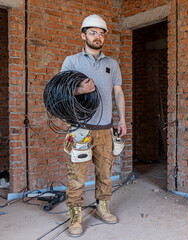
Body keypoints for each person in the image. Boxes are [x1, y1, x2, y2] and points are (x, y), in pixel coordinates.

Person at [61, 14, 127, 237]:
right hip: (80, 129)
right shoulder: (71, 62)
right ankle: (76, 216)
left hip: (106, 129)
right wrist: (81, 90)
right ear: (83, 35)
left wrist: (122, 119)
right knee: (77, 175)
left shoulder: (112, 63)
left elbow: (118, 92)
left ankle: (102, 207)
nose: (97, 37)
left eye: (101, 33)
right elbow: (61, 93)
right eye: (92, 33)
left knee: (105, 174)